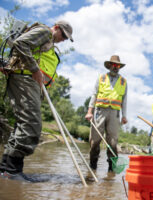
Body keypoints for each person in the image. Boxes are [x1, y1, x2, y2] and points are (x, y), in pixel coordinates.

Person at [0, 20, 74, 182]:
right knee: (32, 124)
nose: (64, 39)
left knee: (22, 125)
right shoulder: (45, 32)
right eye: (63, 35)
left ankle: (5, 170)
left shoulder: (49, 42)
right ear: (56, 28)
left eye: (67, 38)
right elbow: (21, 43)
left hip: (31, 83)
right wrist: (34, 69)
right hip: (25, 79)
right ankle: (13, 171)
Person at [85, 55, 128, 172]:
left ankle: (111, 169)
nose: (115, 67)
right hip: (99, 112)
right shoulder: (101, 78)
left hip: (115, 114)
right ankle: (93, 167)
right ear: (109, 66)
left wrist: (124, 115)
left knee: (113, 142)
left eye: (118, 65)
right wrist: (90, 112)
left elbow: (124, 100)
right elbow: (94, 95)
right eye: (113, 65)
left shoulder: (124, 82)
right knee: (95, 141)